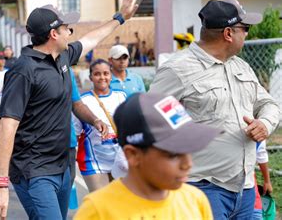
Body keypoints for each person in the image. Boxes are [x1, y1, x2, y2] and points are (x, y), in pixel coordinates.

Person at [0, 0, 139, 219]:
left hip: (62, 166)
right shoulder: (24, 71)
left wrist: (120, 17)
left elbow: (91, 39)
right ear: (53, 34)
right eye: (66, 28)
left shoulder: (63, 57)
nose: (70, 32)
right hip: (35, 170)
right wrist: (0, 184)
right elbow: (7, 127)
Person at [149, 0, 281, 219]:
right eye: (245, 28)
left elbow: (269, 104)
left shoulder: (241, 66)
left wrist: (264, 123)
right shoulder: (178, 69)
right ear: (228, 33)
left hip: (246, 189)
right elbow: (151, 116)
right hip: (202, 188)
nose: (247, 34)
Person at [74, 93, 219, 219]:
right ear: (133, 155)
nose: (188, 164)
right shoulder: (97, 211)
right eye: (173, 154)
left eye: (188, 150)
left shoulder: (195, 200)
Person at [74, 59, 126, 192]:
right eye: (97, 74)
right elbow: (76, 133)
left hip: (120, 160)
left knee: (122, 204)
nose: (102, 77)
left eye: (106, 73)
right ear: (90, 77)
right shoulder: (82, 102)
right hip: (94, 162)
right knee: (102, 204)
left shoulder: (121, 97)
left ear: (111, 75)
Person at [253, 140, 272, 220]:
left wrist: (267, 181)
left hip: (249, 184)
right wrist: (267, 181)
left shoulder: (257, 131)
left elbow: (261, 154)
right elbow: (261, 154)